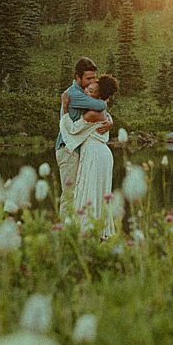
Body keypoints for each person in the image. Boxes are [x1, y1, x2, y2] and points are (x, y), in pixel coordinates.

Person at [58, 74, 118, 234]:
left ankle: (86, 231)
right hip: (102, 154)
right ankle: (98, 230)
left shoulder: (93, 113)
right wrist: (111, 121)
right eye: (87, 89)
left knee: (88, 192)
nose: (86, 94)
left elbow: (72, 129)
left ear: (98, 97)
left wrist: (64, 108)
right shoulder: (99, 110)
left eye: (91, 92)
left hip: (94, 154)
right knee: (97, 193)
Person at [55, 57, 112, 201]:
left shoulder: (87, 91)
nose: (92, 81)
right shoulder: (74, 94)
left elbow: (99, 113)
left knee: (79, 195)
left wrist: (110, 121)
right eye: (88, 78)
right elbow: (101, 106)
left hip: (78, 148)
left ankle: (77, 224)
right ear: (77, 78)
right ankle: (66, 224)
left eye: (94, 78)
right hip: (68, 149)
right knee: (69, 195)